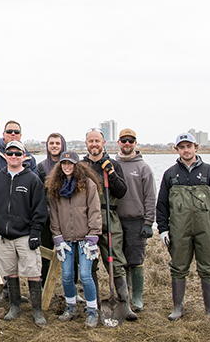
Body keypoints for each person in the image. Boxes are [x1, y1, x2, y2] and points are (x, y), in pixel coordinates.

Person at [156, 132, 210, 322]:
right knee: (178, 268)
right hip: (179, 231)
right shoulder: (170, 174)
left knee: (208, 269)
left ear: (196, 148)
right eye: (182, 147)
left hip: (207, 230)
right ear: (177, 150)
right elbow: (162, 205)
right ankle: (177, 308)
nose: (186, 150)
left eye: (189, 146)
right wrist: (163, 229)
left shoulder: (209, 172)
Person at [0, 140, 48, 327]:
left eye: (17, 153)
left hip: (25, 235)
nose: (14, 156)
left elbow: (40, 209)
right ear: (5, 155)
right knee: (10, 273)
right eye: (10, 153)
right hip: (4, 237)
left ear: (24, 156)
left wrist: (35, 233)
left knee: (33, 272)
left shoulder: (32, 179)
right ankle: (14, 306)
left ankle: (37, 311)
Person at [0, 120, 37, 305]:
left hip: (20, 209)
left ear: (21, 135)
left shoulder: (30, 159)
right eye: (9, 131)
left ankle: (11, 294)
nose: (13, 134)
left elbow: (34, 185)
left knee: (20, 251)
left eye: (16, 131)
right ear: (3, 134)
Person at [82, 128, 137, 321]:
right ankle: (94, 305)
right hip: (87, 220)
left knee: (117, 263)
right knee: (89, 264)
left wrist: (111, 174)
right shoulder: (81, 166)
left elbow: (122, 191)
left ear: (103, 143)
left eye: (97, 141)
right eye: (91, 141)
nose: (94, 144)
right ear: (86, 143)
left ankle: (124, 304)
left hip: (110, 217)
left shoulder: (112, 164)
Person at [45, 150, 102, 328]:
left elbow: (94, 211)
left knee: (86, 275)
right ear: (60, 166)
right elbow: (53, 213)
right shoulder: (55, 186)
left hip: (86, 238)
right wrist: (57, 237)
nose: (67, 166)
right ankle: (70, 307)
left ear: (77, 165)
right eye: (64, 163)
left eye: (70, 163)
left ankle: (92, 310)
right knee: (67, 276)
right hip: (66, 239)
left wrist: (93, 236)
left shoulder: (88, 185)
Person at [115, 128, 156, 312]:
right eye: (124, 140)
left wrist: (148, 222)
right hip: (116, 219)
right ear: (118, 143)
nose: (127, 144)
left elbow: (150, 197)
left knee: (136, 260)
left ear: (135, 144)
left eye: (130, 141)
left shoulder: (143, 168)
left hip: (136, 220)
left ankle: (137, 296)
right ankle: (124, 294)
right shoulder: (113, 165)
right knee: (119, 260)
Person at [35, 133, 67, 287]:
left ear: (62, 146)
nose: (54, 146)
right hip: (47, 217)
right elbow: (38, 194)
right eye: (51, 143)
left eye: (57, 143)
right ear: (47, 146)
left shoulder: (70, 165)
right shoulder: (41, 167)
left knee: (69, 255)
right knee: (45, 254)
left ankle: (71, 288)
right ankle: (44, 287)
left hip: (66, 217)